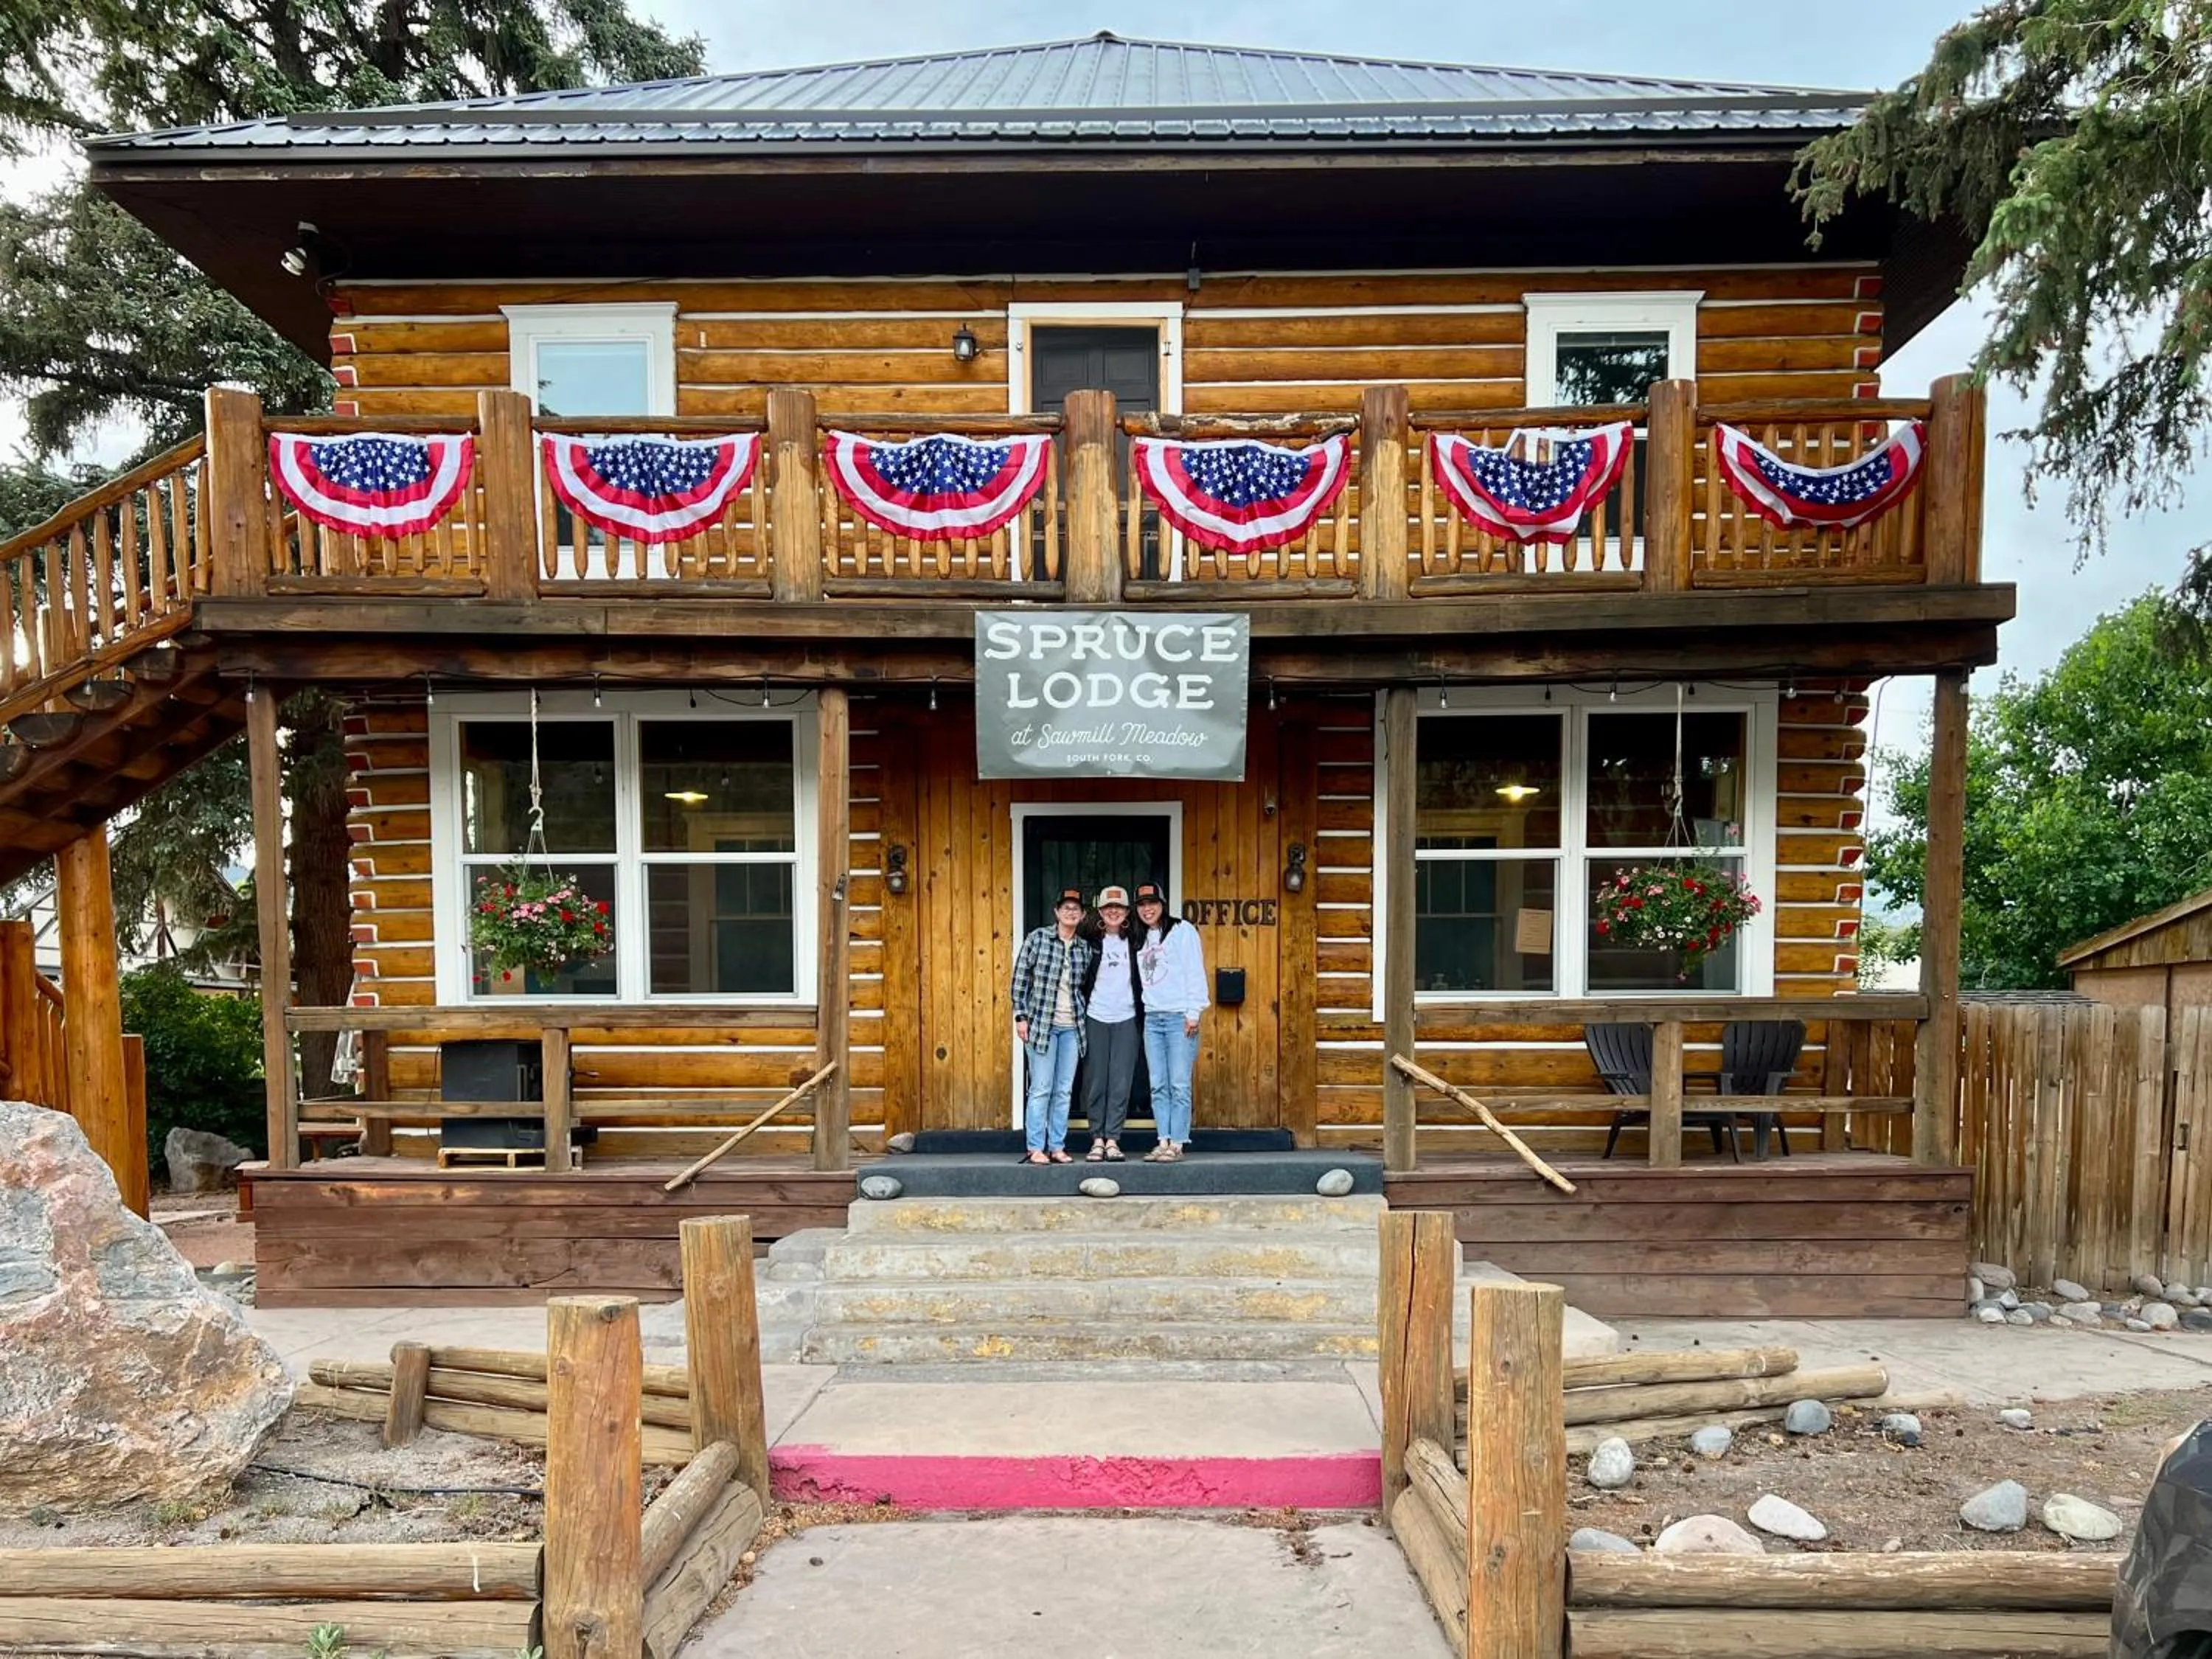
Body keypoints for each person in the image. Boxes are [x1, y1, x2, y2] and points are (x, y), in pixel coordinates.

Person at [1009, 886, 1095, 1166]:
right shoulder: (1038, 939)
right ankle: (1036, 1147)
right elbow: (1020, 980)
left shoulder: (1084, 949)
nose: (1071, 912)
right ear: (1057, 912)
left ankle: (1057, 1146)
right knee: (1041, 1087)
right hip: (1042, 1025)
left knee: (1064, 1090)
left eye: (1076, 909)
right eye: (1066, 908)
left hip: (1072, 1028)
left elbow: (1083, 988)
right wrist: (1021, 1017)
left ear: (1082, 916)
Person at [1133, 880, 1207, 1161]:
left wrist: (1193, 1013)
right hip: (1153, 1018)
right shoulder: (1140, 938)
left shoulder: (1181, 931)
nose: (1147, 909)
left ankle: (1178, 1143)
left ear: (1162, 905)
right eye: (1141, 905)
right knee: (1158, 1084)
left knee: (1179, 1083)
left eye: (1152, 903)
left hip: (1179, 1017)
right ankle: (1162, 1140)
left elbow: (1195, 973)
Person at [1077, 884, 1143, 1164]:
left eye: (1118, 907)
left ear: (1127, 912)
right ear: (1100, 912)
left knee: (1120, 1081)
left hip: (1127, 1017)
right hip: (1096, 1016)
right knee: (1096, 1081)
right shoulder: (1089, 942)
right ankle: (1097, 1139)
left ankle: (1113, 1139)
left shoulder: (1137, 941)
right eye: (1107, 908)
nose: (1113, 912)